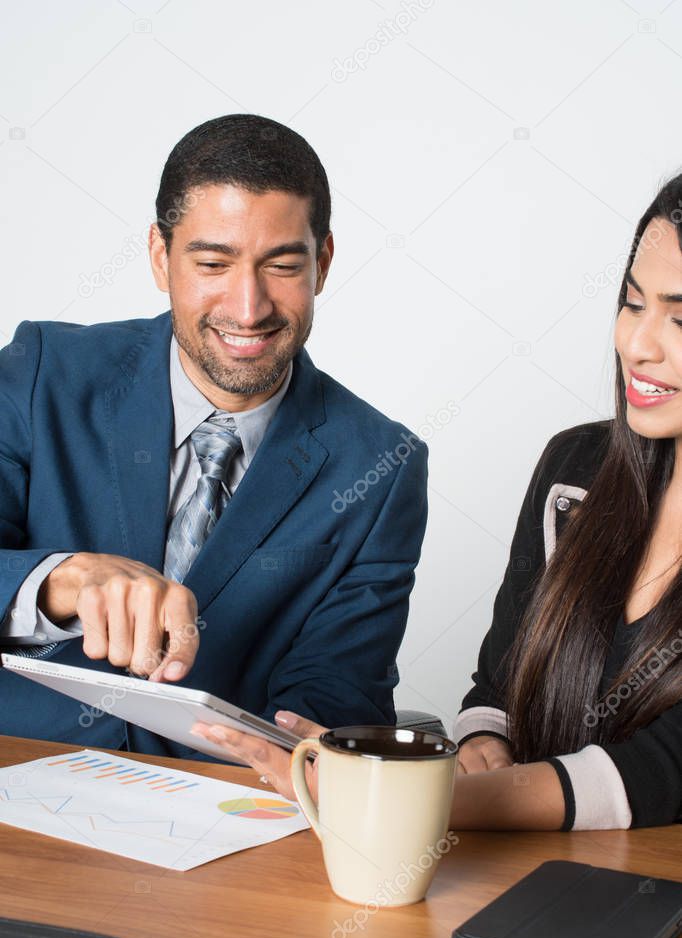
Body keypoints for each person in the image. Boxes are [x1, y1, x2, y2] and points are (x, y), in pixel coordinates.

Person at [197, 173, 682, 830]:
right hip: (534, 882)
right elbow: (502, 681)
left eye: (679, 317)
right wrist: (486, 742)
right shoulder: (578, 469)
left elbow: (660, 771)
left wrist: (406, 800)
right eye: (632, 304)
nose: (639, 344)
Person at [0, 114, 428, 758]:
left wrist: (301, 752)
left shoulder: (382, 465)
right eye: (212, 262)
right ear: (158, 255)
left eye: (282, 265)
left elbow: (338, 689)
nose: (248, 307)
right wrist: (63, 580)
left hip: (223, 813)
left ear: (324, 262)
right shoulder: (43, 371)